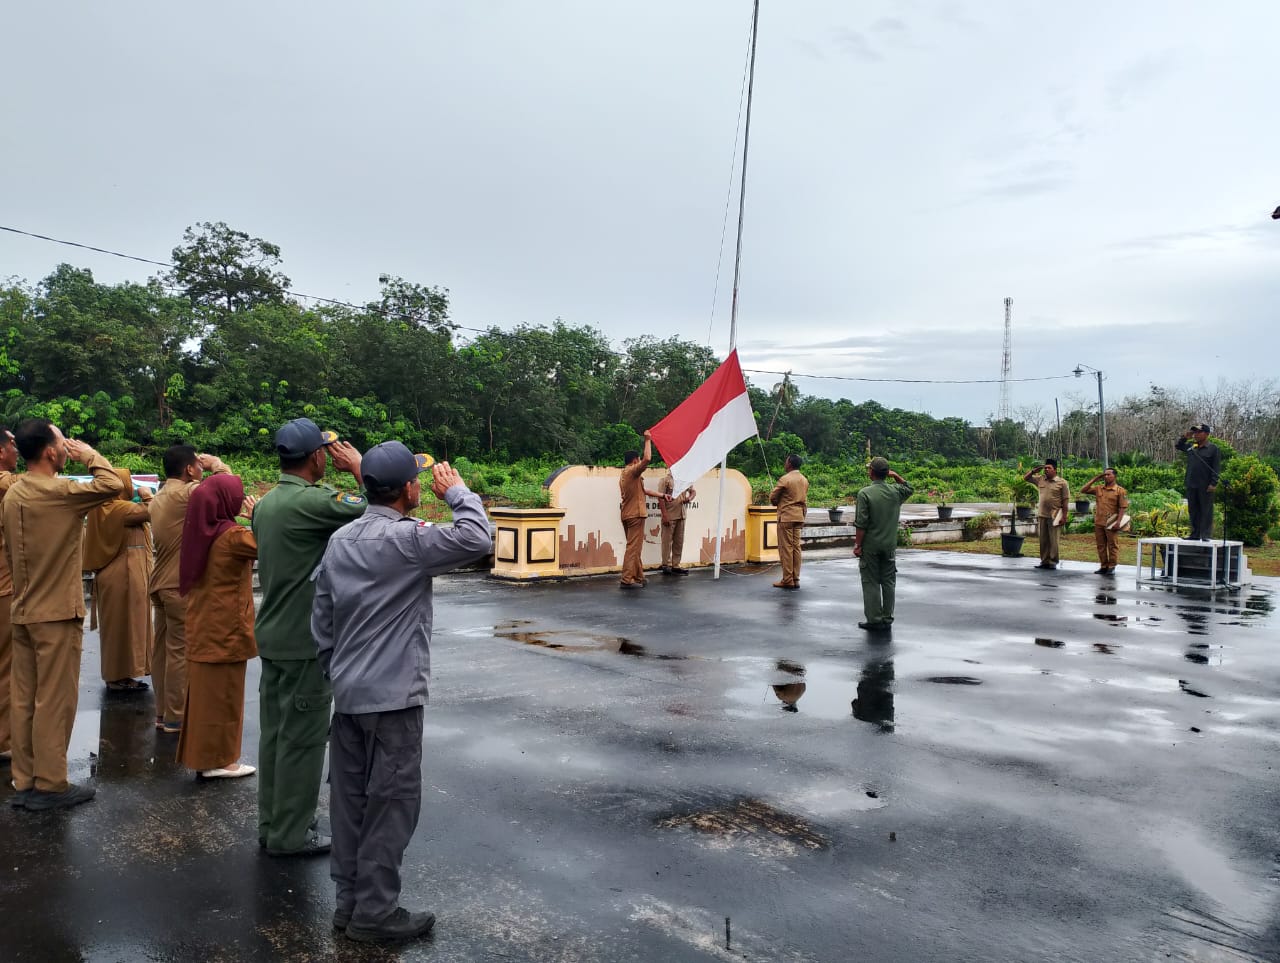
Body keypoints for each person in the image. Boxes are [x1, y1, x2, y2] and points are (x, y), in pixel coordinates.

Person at [312, 443, 490, 942]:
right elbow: (477, 537)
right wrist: (457, 492)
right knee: (391, 804)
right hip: (393, 701)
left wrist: (339, 671)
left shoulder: (340, 540)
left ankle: (349, 905)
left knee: (350, 803)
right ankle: (376, 911)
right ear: (410, 490)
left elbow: (321, 619)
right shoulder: (408, 542)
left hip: (347, 697)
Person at [253, 417, 366, 856]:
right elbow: (380, 504)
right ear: (317, 457)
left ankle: (273, 824)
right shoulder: (311, 503)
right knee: (302, 741)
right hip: (305, 641)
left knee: (275, 737)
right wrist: (358, 467)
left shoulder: (265, 503)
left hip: (275, 635)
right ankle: (290, 835)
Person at [3, 420, 124, 810]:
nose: (66, 447)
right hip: (55, 612)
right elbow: (111, 486)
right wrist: (90, 456)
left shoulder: (13, 493)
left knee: (24, 698)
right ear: (52, 452)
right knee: (54, 700)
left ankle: (25, 779)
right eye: (61, 442)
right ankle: (52, 783)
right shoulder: (59, 492)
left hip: (23, 608)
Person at [176, 474, 258, 779]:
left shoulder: (204, 531)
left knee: (205, 695)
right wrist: (258, 515)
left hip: (204, 622)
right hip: (226, 627)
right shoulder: (233, 537)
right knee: (224, 695)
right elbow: (269, 542)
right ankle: (220, 761)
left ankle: (206, 757)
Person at [149, 446, 231, 734]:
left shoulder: (159, 494)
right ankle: (177, 715)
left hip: (160, 582)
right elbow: (227, 491)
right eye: (198, 464)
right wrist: (217, 464)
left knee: (161, 650)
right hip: (178, 584)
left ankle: (162, 712)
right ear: (189, 470)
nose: (201, 466)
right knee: (180, 651)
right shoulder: (187, 493)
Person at [84, 470, 153, 692]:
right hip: (123, 576)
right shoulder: (118, 509)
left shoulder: (103, 507)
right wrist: (146, 495)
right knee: (124, 628)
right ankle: (117, 677)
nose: (132, 486)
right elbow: (155, 511)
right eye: (128, 482)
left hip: (118, 575)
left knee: (120, 628)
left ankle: (122, 675)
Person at [853, 457, 914, 630]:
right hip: (889, 545)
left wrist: (858, 545)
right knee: (888, 581)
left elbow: (861, 524)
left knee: (870, 581)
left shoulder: (865, 493)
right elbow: (910, 488)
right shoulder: (895, 492)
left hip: (871, 546)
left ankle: (874, 619)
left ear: (871, 472)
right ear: (886, 473)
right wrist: (896, 476)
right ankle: (887, 617)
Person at [0, 428, 19, 768]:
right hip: (3, 586)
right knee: (6, 666)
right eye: (14, 444)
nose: (18, 449)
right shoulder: (7, 484)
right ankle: (4, 740)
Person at [618, 432, 653, 589]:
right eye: (638, 460)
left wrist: (662, 495)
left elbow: (644, 491)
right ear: (634, 461)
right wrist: (647, 440)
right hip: (635, 514)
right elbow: (647, 459)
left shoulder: (624, 475)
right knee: (633, 548)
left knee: (634, 546)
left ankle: (639, 576)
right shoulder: (632, 471)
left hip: (627, 514)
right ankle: (627, 579)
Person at [1175, 423, 1221, 540]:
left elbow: (1216, 467)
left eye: (1199, 432)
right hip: (1192, 483)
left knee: (1206, 510)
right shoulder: (1191, 447)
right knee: (1193, 510)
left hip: (1205, 485)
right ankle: (1195, 534)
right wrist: (1185, 437)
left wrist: (1213, 483)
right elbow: (1179, 446)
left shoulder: (1213, 449)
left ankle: (1205, 534)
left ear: (1206, 434)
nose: (1196, 435)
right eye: (1194, 432)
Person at [770, 454, 809, 589]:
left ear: (790, 464)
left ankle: (787, 580)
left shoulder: (785, 479)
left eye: (786, 461)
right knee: (796, 548)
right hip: (799, 516)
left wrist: (777, 503)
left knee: (786, 549)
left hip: (786, 517)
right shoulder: (804, 480)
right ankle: (795, 578)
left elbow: (773, 497)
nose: (784, 464)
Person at [1024, 458, 1070, 570]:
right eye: (1045, 468)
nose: (1046, 470)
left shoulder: (1062, 483)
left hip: (1055, 515)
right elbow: (1026, 478)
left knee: (1053, 540)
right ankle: (1044, 561)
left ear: (1055, 470)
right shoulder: (1041, 479)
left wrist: (1064, 516)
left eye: (1049, 468)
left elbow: (1065, 501)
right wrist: (1034, 471)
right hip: (1042, 514)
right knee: (1043, 540)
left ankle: (1052, 561)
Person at [1081, 468, 1129, 575]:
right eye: (1105, 475)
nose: (1106, 476)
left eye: (1108, 474)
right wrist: (1095, 479)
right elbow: (1083, 490)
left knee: (1112, 545)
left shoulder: (1120, 491)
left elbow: (1122, 507)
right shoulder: (1099, 488)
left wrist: (1118, 522)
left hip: (1112, 522)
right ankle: (1103, 566)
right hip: (1099, 521)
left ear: (1114, 476)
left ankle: (1111, 566)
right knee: (1101, 545)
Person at [656, 471, 694, 575]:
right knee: (666, 541)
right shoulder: (665, 480)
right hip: (669, 515)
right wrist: (664, 515)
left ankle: (676, 565)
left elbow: (693, 492)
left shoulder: (683, 480)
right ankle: (666, 565)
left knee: (679, 541)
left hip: (681, 515)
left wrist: (689, 498)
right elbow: (660, 497)